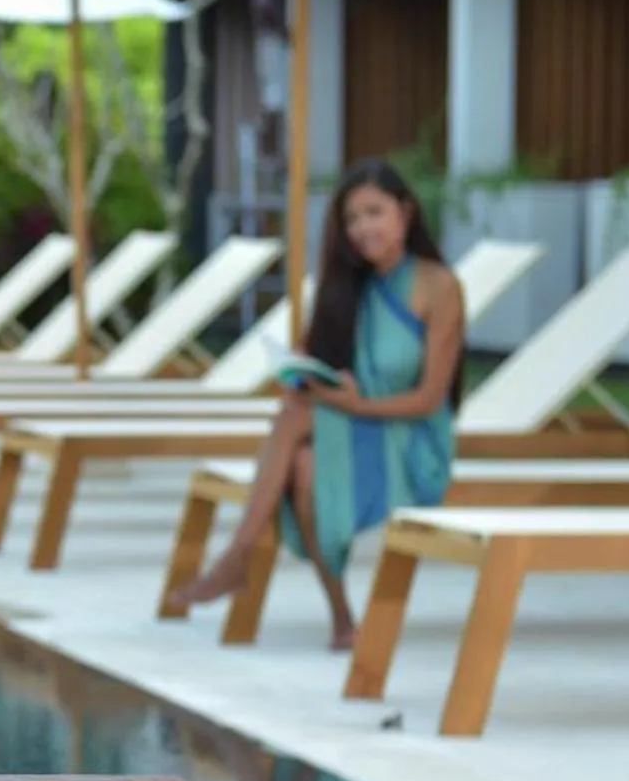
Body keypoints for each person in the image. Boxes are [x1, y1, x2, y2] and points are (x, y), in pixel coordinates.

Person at [165, 160, 464, 649]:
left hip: (412, 440)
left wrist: (351, 404)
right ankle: (342, 621)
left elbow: (430, 399)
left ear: (406, 213)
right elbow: (311, 372)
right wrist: (304, 378)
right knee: (302, 462)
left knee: (296, 420)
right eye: (352, 219)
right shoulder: (345, 287)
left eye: (375, 212)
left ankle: (239, 555)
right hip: (352, 425)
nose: (363, 227)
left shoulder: (438, 286)